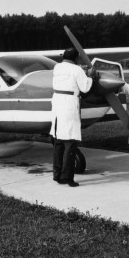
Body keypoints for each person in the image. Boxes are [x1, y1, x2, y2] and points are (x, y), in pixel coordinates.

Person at [50, 47, 96, 187]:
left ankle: (57, 175)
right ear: (76, 59)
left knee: (58, 143)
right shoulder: (77, 70)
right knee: (70, 144)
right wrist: (91, 76)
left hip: (57, 105)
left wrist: (82, 71)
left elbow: (69, 72)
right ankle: (68, 177)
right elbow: (85, 87)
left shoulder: (57, 67)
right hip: (69, 105)